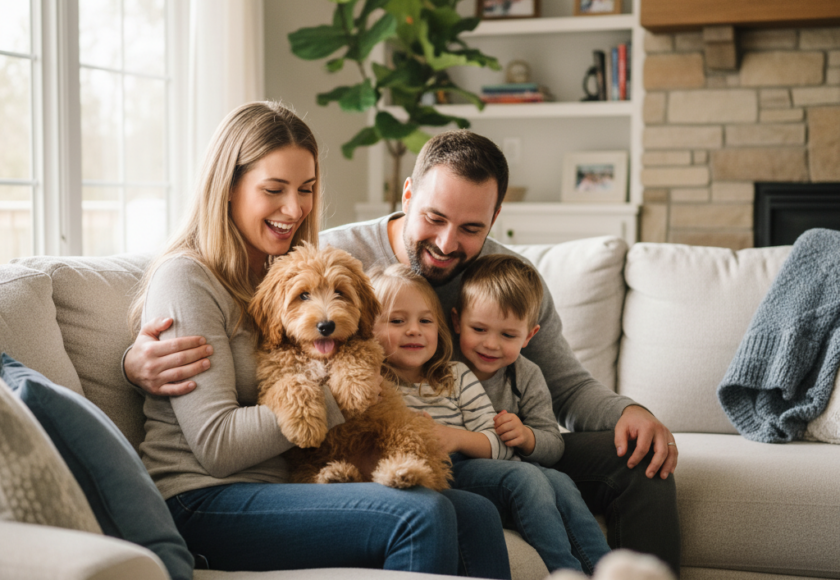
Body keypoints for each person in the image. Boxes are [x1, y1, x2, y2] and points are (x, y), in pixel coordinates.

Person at [124, 128, 681, 575]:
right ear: (407, 195)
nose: (445, 243)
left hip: (473, 437)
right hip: (340, 455)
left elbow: (565, 381)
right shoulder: (328, 257)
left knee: (637, 463)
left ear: (494, 220)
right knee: (435, 511)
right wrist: (134, 364)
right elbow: (252, 344)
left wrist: (628, 411)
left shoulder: (502, 274)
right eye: (434, 219)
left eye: (470, 227)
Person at [128, 102, 510, 577]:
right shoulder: (188, 278)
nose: (295, 208)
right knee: (420, 515)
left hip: (286, 484)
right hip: (203, 498)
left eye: (306, 189)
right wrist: (345, 398)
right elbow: (217, 446)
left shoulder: (281, 266)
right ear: (227, 188)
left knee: (476, 513)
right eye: (274, 190)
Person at [369, 262, 611, 574]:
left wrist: (455, 438)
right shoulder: (373, 383)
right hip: (418, 475)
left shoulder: (455, 374)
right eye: (397, 321)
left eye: (425, 320)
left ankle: (607, 569)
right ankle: (564, 571)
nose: (414, 329)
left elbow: (498, 441)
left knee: (559, 481)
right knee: (526, 476)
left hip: (467, 465)